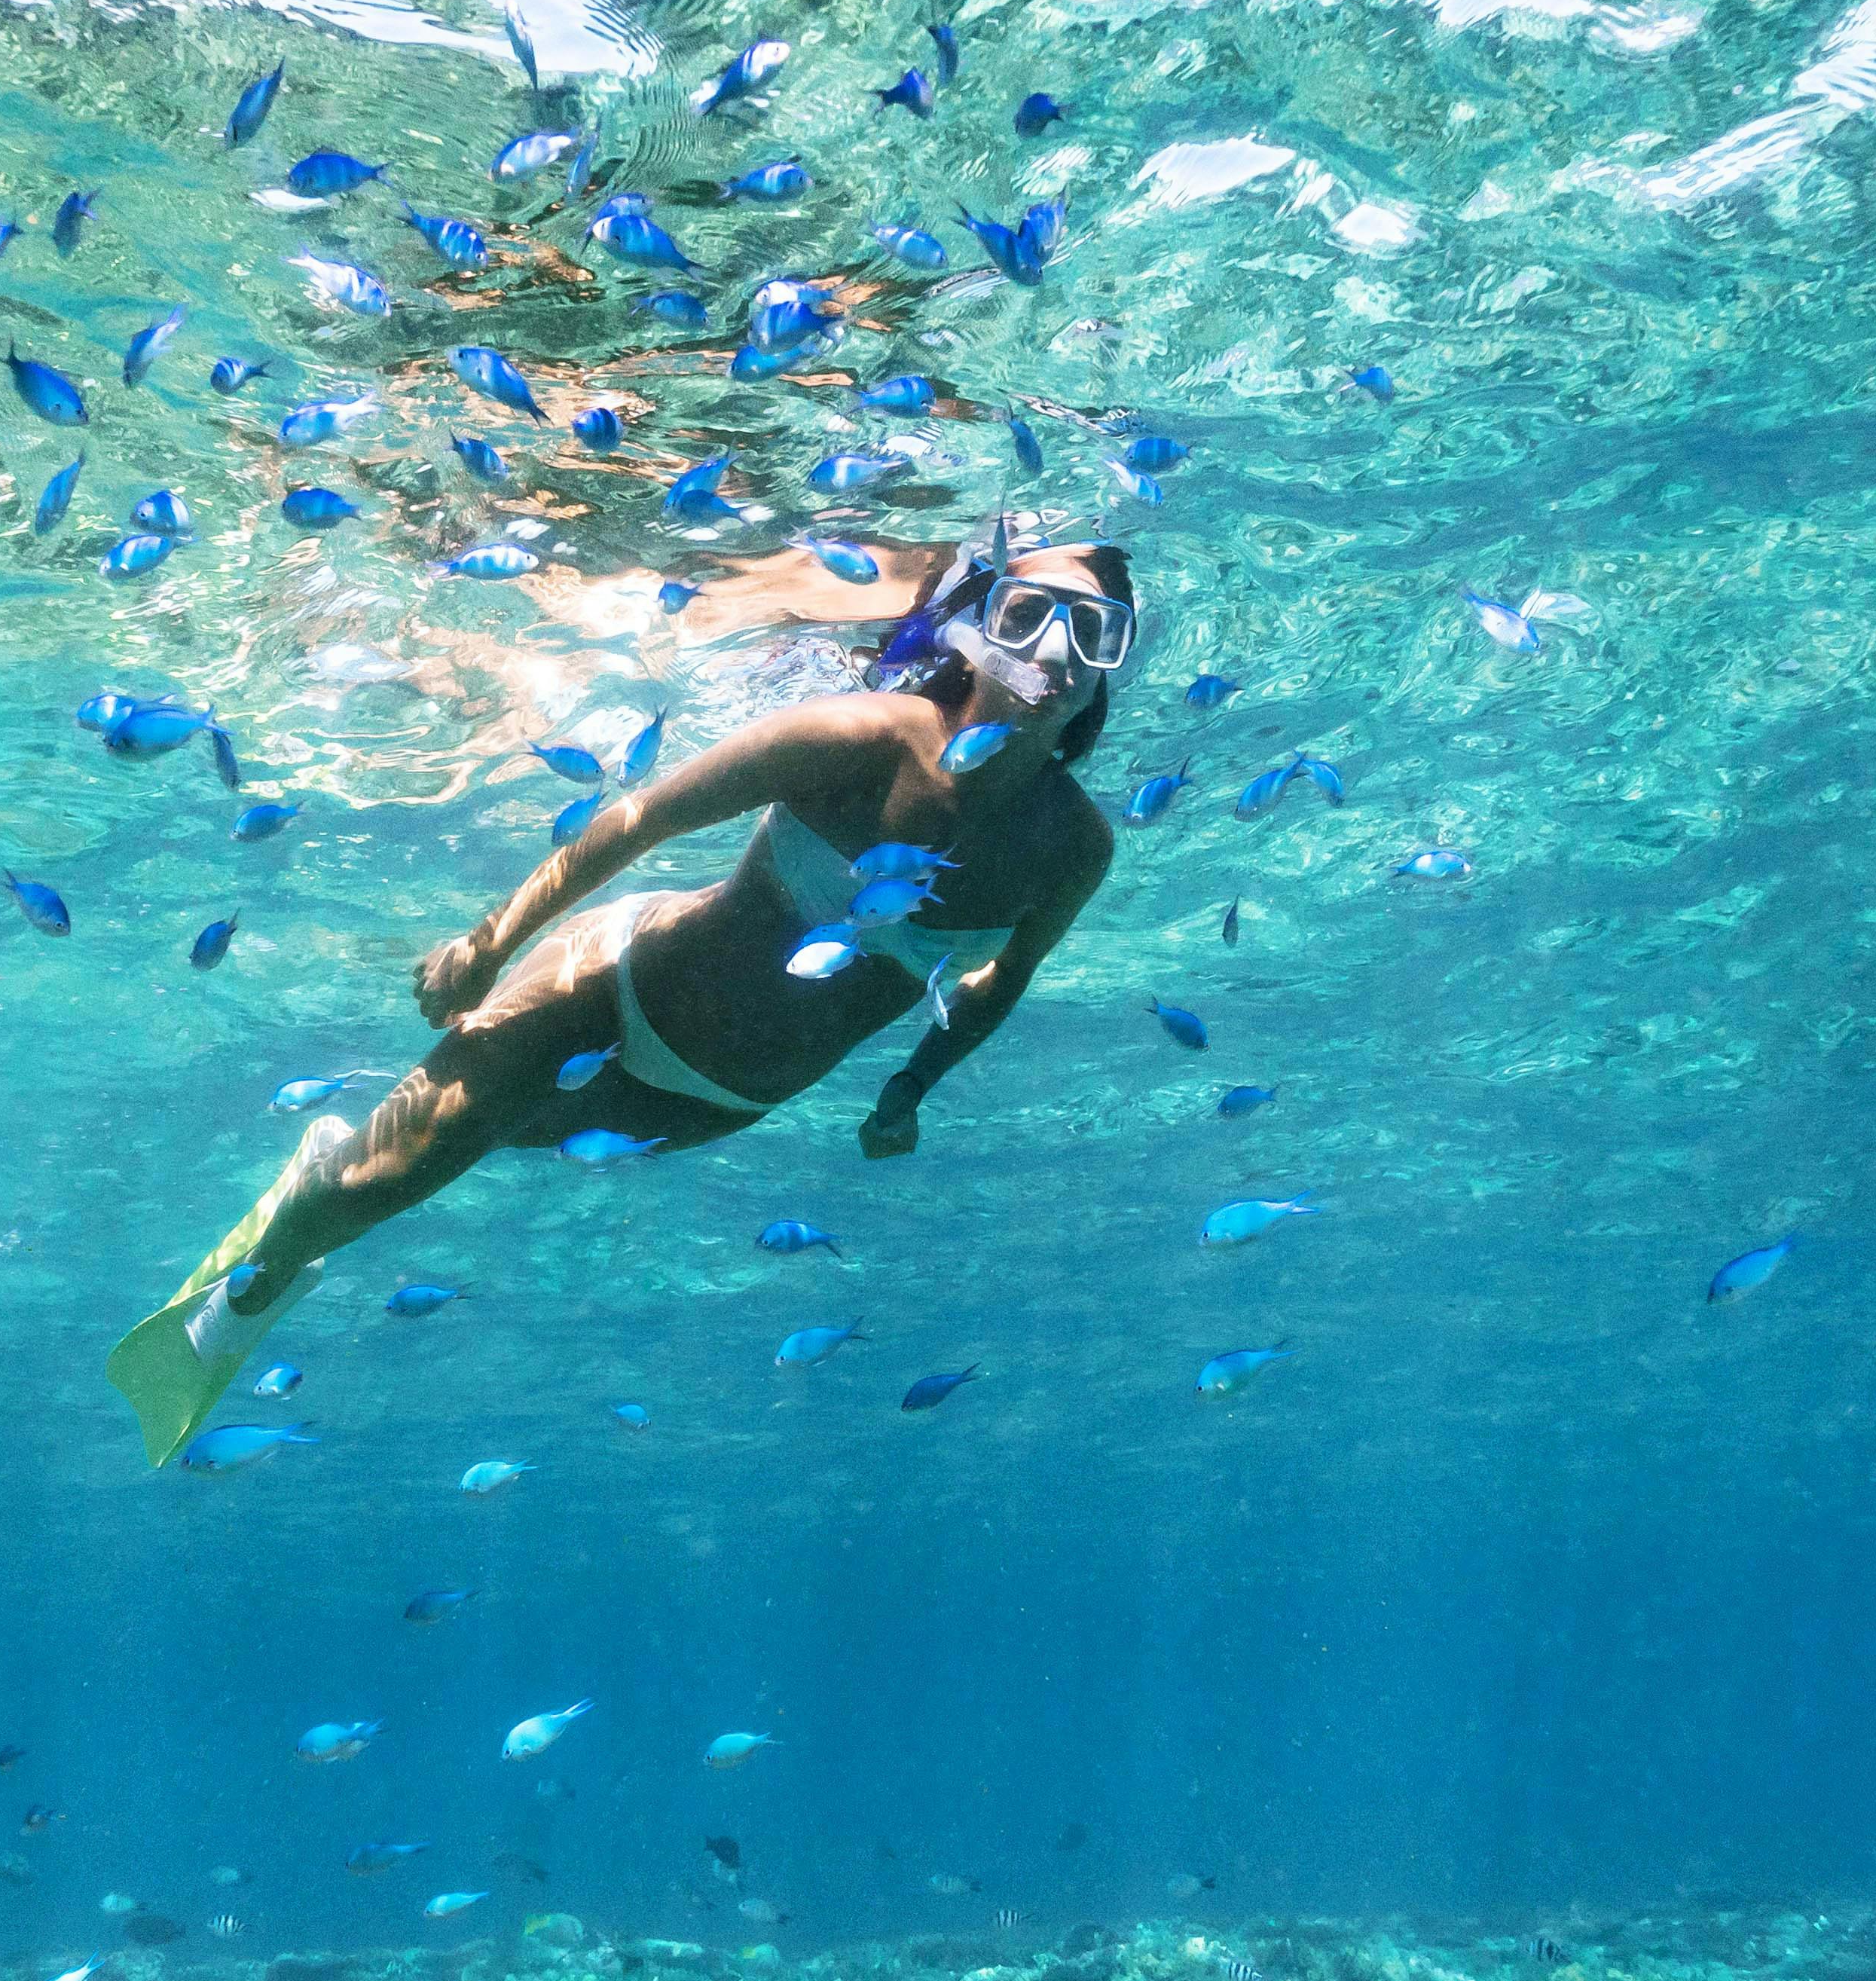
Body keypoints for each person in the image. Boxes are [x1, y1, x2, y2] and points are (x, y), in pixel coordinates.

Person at [105, 530, 1138, 1465]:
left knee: (461, 1147)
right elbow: (644, 817)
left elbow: (1002, 977)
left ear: (1109, 663)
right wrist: (488, 943)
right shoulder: (859, 734)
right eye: (1027, 614)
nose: (1053, 652)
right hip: (607, 989)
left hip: (713, 1104)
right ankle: (259, 1287)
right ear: (975, 626)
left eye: (1092, 631)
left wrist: (910, 1088)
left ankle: (325, 1174)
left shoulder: (1074, 847)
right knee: (392, 1179)